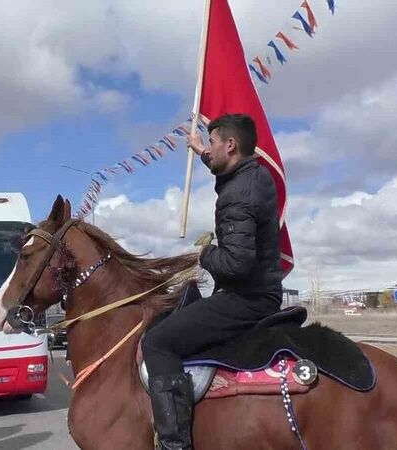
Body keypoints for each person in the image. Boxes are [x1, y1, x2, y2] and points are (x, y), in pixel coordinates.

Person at [141, 114, 283, 450]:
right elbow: (223, 166)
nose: (211, 148)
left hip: (247, 298)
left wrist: (205, 252)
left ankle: (176, 444)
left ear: (231, 145)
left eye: (215, 143)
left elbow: (235, 264)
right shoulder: (252, 175)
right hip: (258, 292)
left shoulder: (238, 194)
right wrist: (202, 151)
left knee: (158, 342)